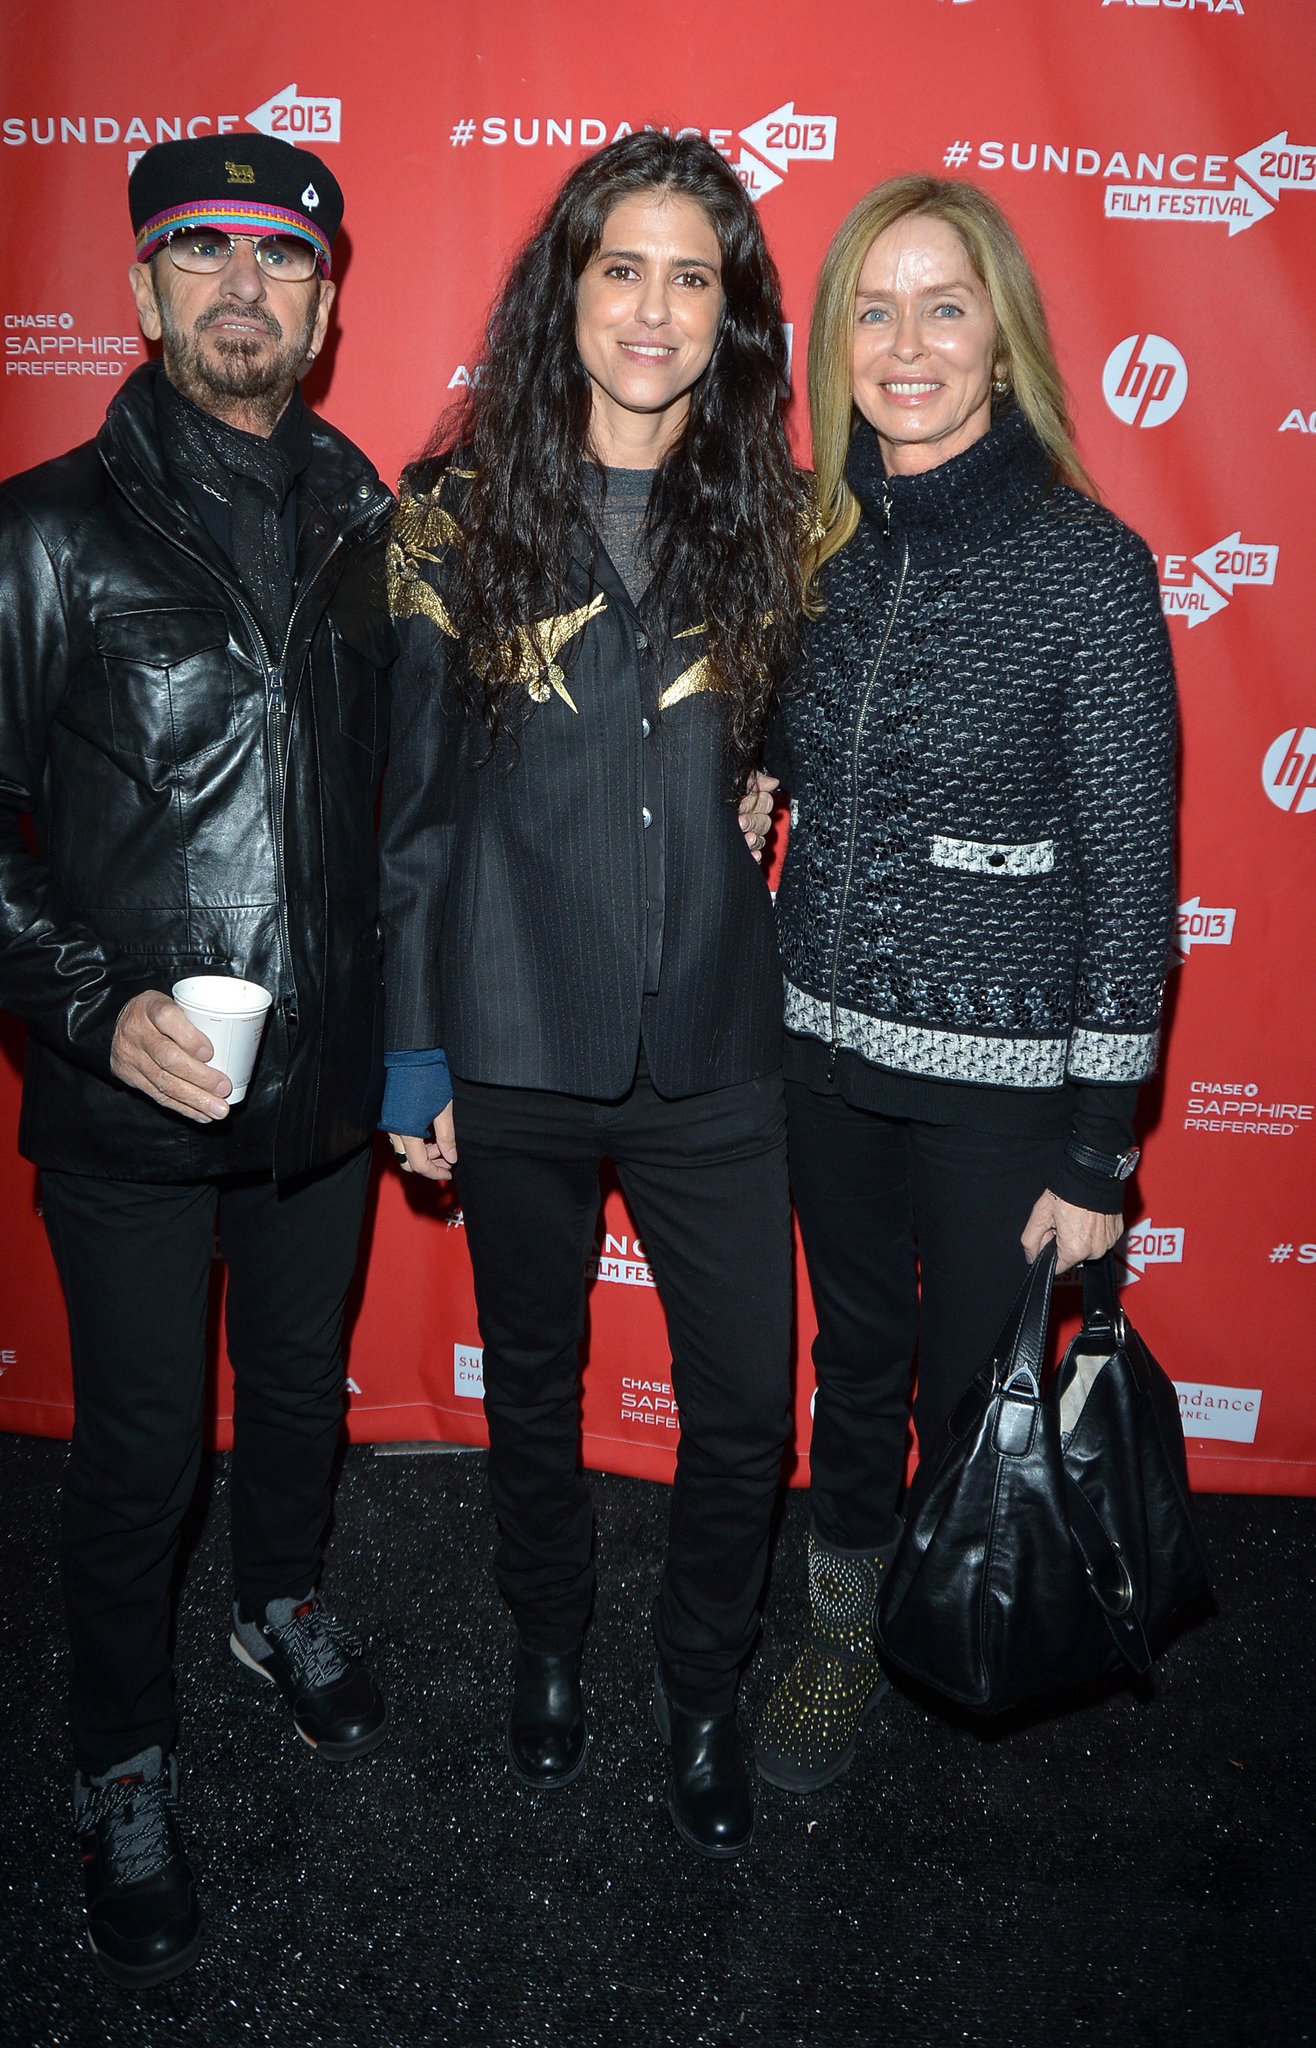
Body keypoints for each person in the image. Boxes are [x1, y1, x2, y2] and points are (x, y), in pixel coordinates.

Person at [0, 134, 397, 1987]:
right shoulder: (45, 528)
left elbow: (398, 812)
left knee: (295, 1393)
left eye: (284, 255)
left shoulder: (372, 517)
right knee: (133, 1450)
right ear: (140, 291)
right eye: (202, 253)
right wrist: (99, 1005)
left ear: (328, 304)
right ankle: (121, 1752)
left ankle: (280, 1607)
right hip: (125, 1095)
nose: (244, 285)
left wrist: (401, 1057)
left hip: (323, 1093)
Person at [378, 132, 801, 1858]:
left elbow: (778, 751)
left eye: (692, 275)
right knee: (534, 1383)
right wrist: (414, 1057)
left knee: (746, 1406)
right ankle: (548, 1650)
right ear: (568, 294)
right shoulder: (453, 518)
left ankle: (702, 1684)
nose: (654, 306)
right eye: (621, 268)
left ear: (732, 313)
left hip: (713, 1044)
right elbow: (413, 818)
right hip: (517, 1038)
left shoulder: (785, 518)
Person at [754, 175, 1176, 1792]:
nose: (907, 342)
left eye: (945, 305)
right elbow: (777, 760)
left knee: (964, 1388)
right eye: (874, 307)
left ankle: (959, 1626)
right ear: (835, 341)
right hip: (817, 1058)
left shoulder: (1090, 565)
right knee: (852, 1367)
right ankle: (845, 1643)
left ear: (1001, 336)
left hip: (1008, 1093)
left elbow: (1135, 874)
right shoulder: (815, 546)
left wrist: (1098, 1147)